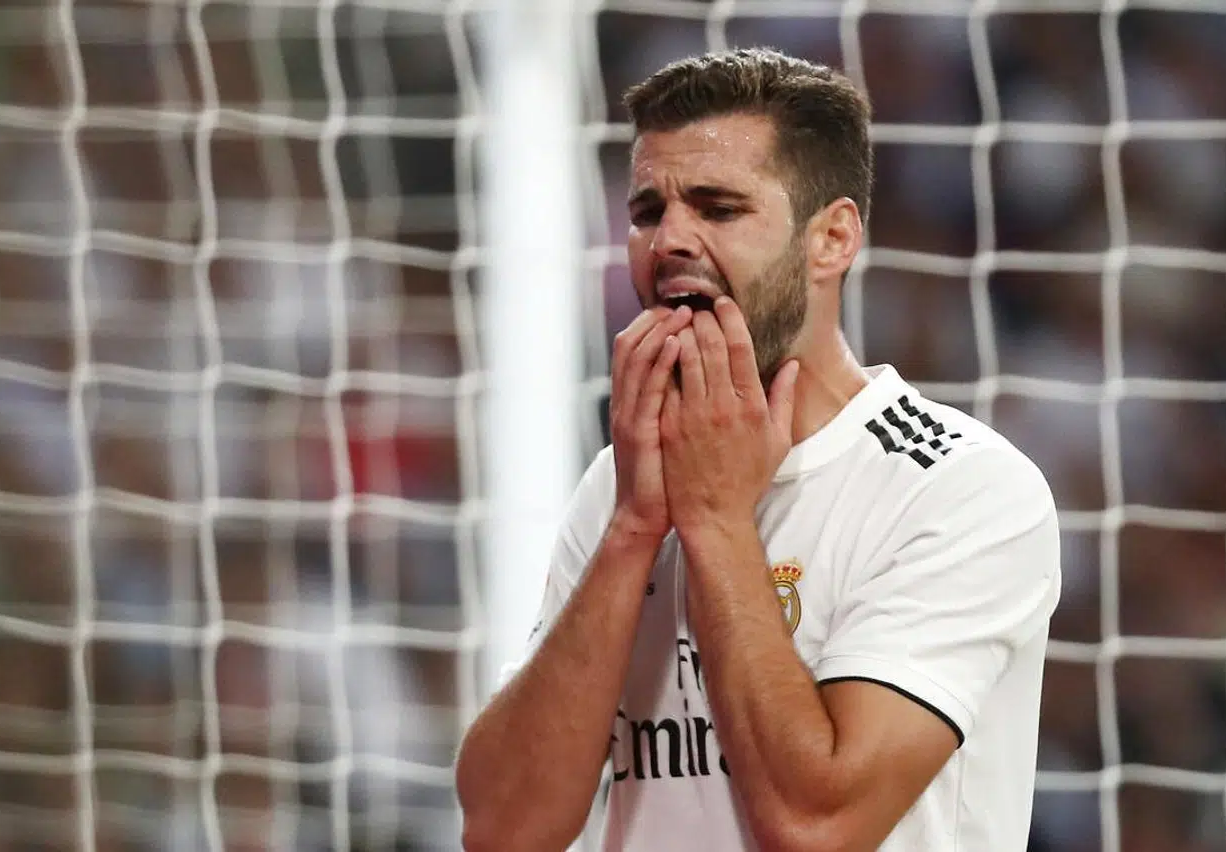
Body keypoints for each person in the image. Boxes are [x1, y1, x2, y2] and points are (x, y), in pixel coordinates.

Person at [455, 47, 1061, 852]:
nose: (670, 239)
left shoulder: (960, 488)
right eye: (647, 212)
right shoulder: (621, 485)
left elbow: (817, 825)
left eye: (718, 208)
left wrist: (715, 520)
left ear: (832, 239)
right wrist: (633, 528)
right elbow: (502, 828)